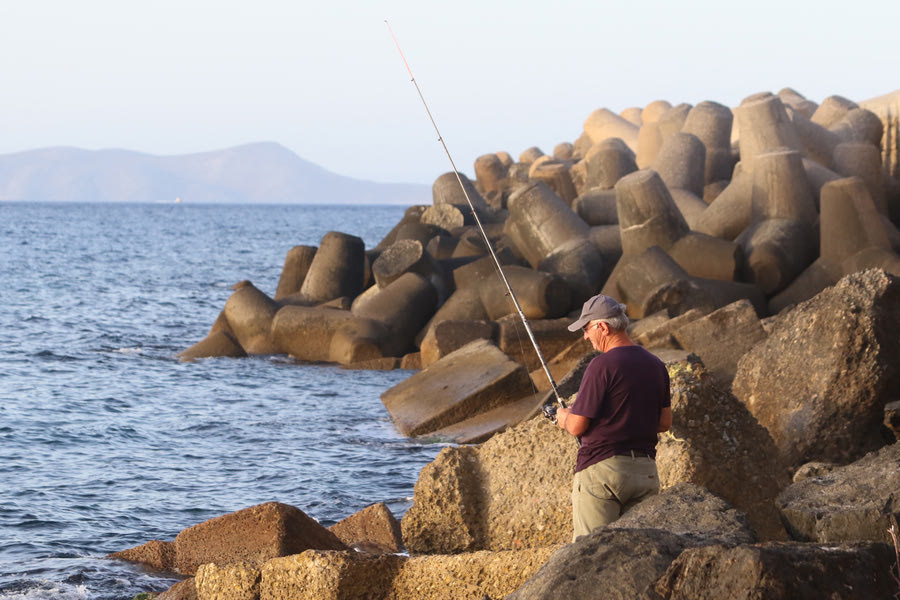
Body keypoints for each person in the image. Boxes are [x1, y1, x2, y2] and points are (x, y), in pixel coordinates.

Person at [555, 293, 672, 539]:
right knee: (640, 553)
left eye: (586, 329)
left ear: (603, 327)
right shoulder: (656, 365)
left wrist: (562, 417)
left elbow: (577, 426)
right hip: (646, 472)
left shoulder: (601, 366)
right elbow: (664, 423)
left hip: (603, 473)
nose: (585, 336)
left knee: (590, 554)